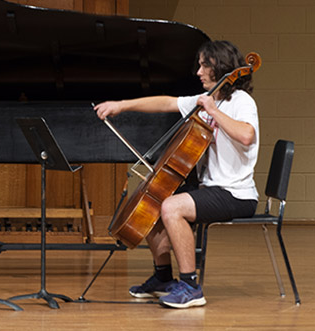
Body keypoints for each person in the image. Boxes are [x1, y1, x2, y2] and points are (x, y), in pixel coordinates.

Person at [94, 40, 259, 309]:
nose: (198, 71)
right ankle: (162, 278)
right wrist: (122, 105)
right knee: (155, 200)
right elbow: (166, 103)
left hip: (236, 194)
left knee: (172, 207)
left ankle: (191, 286)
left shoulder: (241, 102)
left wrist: (214, 111)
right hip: (211, 189)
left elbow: (246, 135)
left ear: (220, 67)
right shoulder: (208, 100)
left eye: (205, 65)